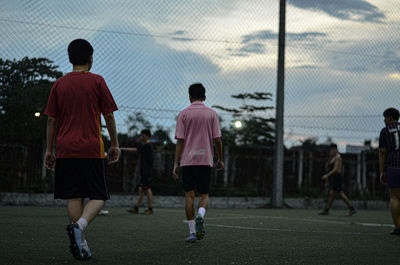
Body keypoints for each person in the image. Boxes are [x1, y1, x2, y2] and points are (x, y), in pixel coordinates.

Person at [44, 39, 120, 260]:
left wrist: (50, 150)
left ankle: (81, 243)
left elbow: (51, 121)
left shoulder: (59, 84)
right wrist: (114, 144)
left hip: (66, 149)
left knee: (74, 196)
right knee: (99, 196)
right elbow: (108, 115)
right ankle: (80, 227)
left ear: (69, 59)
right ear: (90, 59)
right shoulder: (97, 81)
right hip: (91, 148)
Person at [173, 83, 224, 242]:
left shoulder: (183, 114)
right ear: (205, 96)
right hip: (205, 160)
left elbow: (180, 141)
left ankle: (192, 232)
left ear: (189, 96)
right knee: (204, 194)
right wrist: (220, 159)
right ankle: (201, 215)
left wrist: (176, 163)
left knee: (189, 195)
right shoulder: (212, 114)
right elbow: (218, 140)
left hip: (187, 161)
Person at [319, 144, 356, 216]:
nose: (331, 151)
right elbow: (329, 164)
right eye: (330, 150)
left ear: (335, 149)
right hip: (334, 178)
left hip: (337, 177)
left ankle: (352, 208)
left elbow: (335, 169)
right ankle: (326, 210)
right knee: (332, 194)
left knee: (340, 193)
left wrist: (327, 175)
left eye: (332, 150)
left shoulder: (338, 157)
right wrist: (330, 156)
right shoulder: (334, 157)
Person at [379, 107, 400, 235]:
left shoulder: (385, 131)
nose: (384, 120)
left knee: (395, 197)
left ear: (390, 117)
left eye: (385, 117)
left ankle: (398, 226)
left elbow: (382, 153)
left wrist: (382, 171)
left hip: (394, 166)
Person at [123, 129, 154, 215]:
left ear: (147, 136)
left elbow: (151, 161)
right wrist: (121, 148)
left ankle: (150, 209)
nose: (141, 136)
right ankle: (136, 208)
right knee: (141, 189)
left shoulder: (148, 147)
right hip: (142, 171)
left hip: (146, 172)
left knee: (147, 189)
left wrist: (147, 172)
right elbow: (135, 149)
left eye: (143, 135)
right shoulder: (143, 146)